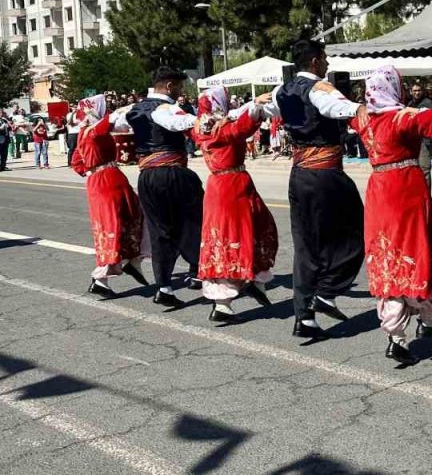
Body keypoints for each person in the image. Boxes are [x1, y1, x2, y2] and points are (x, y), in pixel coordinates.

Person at [353, 65, 432, 366]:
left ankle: (410, 328)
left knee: (388, 255)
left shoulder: (363, 119)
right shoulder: (400, 117)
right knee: (419, 250)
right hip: (406, 189)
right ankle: (414, 326)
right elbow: (430, 118)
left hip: (379, 189)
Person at [262, 39, 367, 340]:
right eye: (325, 59)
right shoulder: (320, 89)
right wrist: (364, 109)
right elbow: (338, 108)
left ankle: (303, 315)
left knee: (306, 245)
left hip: (300, 173)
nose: (328, 64)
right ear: (314, 62)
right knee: (358, 231)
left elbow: (261, 109)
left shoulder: (281, 91)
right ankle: (327, 291)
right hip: (325, 173)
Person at [192, 86, 278, 324]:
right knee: (251, 232)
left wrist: (250, 105)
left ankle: (236, 293)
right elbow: (244, 125)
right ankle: (241, 291)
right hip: (234, 186)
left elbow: (234, 118)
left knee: (224, 238)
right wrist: (256, 105)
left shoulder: (202, 126)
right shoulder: (223, 129)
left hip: (217, 186)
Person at [125, 67, 203, 308]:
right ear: (169, 86)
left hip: (146, 175)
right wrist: (203, 120)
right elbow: (174, 122)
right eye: (179, 87)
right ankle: (202, 271)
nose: (181, 92)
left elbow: (114, 122)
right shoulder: (166, 107)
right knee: (196, 222)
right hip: (172, 171)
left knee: (160, 230)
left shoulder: (135, 108)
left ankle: (164, 287)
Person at [71, 95, 148, 298]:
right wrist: (127, 108)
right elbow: (106, 124)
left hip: (103, 180)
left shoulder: (82, 132)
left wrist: (91, 171)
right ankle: (103, 276)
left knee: (128, 219)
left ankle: (131, 262)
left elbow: (76, 162)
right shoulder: (93, 130)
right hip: (108, 181)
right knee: (115, 225)